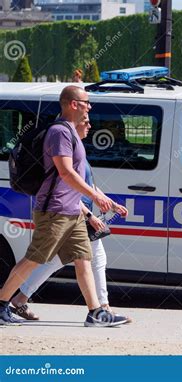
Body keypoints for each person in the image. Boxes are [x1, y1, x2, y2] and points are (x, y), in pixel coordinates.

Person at [0, 85, 127, 327]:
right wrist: (94, 197)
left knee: (83, 259)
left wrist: (106, 201)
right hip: (55, 210)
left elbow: (80, 175)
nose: (89, 107)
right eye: (86, 102)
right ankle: (2, 303)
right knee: (33, 259)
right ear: (73, 104)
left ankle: (96, 313)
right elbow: (66, 173)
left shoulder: (73, 134)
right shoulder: (60, 133)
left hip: (72, 211)